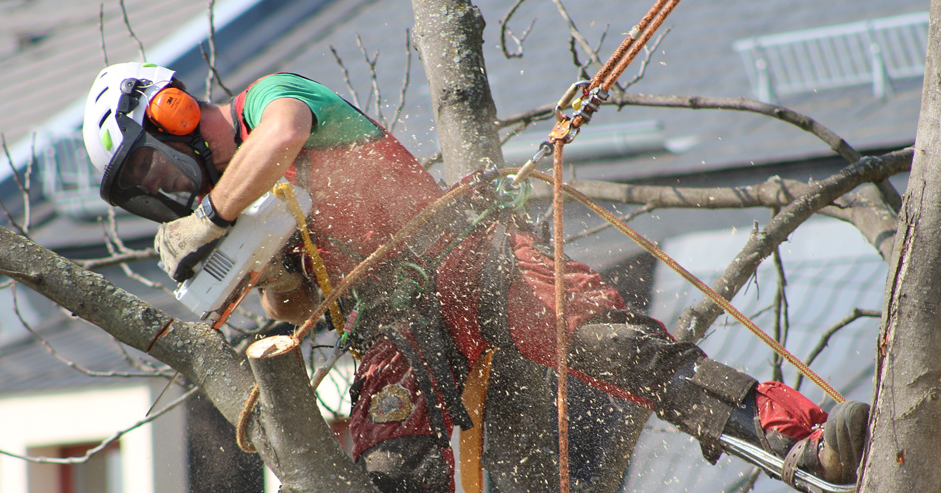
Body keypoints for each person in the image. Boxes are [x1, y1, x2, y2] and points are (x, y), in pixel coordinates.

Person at [82, 62, 870, 491]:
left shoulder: (270, 103)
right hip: (391, 319)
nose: (170, 189)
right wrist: (263, 267)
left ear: (174, 109)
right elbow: (292, 301)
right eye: (147, 189)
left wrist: (212, 217)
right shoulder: (249, 210)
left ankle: (794, 436)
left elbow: (284, 139)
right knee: (392, 469)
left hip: (463, 253)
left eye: (153, 163)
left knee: (611, 343)